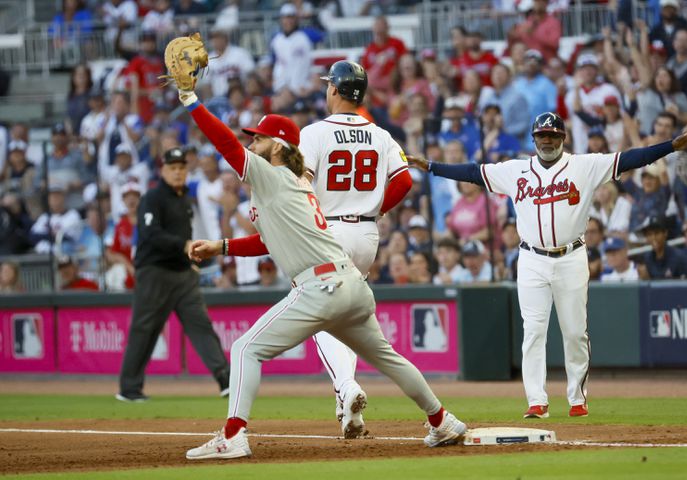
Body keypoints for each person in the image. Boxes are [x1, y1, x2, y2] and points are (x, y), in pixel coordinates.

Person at [177, 89, 466, 459]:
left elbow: (226, 145)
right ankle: (442, 421)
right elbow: (269, 240)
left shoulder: (273, 176)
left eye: (260, 137)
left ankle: (233, 436)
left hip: (321, 285)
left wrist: (191, 101)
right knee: (387, 357)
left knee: (245, 348)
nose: (253, 142)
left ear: (279, 146)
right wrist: (222, 247)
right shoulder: (292, 183)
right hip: (352, 286)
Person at [408, 111, 687, 418]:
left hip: (571, 257)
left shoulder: (584, 166)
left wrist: (669, 146)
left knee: (575, 332)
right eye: (541, 136)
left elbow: (631, 159)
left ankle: (577, 398)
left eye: (552, 135)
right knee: (533, 331)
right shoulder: (516, 170)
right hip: (532, 258)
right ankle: (537, 400)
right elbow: (472, 172)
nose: (546, 140)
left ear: (563, 138)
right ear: (534, 139)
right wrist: (430, 166)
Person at [299, 60, 413, 437]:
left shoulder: (314, 132)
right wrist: (374, 208)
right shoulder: (380, 134)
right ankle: (349, 412)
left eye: (328, 85)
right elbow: (404, 181)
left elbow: (302, 186)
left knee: (320, 315)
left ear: (334, 89)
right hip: (366, 233)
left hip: (327, 230)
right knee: (345, 318)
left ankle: (346, 387)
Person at [117, 148, 230, 402]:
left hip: (182, 274)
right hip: (154, 272)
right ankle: (129, 389)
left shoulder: (183, 199)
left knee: (201, 325)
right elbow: (150, 234)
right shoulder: (153, 198)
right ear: (163, 171)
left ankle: (226, 380)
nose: (178, 172)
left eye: (182, 167)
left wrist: (189, 260)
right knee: (144, 329)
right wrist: (182, 246)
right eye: (173, 167)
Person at [637, 215, 687, 280]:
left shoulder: (679, 258)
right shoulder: (646, 259)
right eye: (649, 234)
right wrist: (645, 279)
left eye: (657, 233)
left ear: (665, 233)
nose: (653, 238)